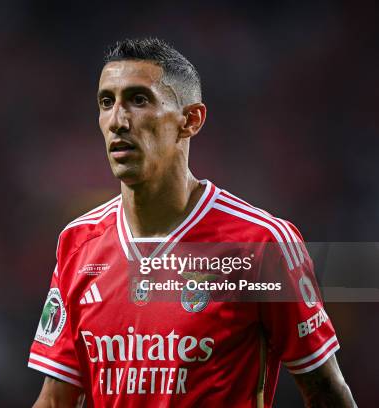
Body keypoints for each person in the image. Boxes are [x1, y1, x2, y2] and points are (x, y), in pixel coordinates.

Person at [28, 38, 356, 407]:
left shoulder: (261, 243)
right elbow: (56, 399)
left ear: (190, 120)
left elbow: (325, 391)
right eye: (107, 102)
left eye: (139, 100)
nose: (118, 121)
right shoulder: (78, 242)